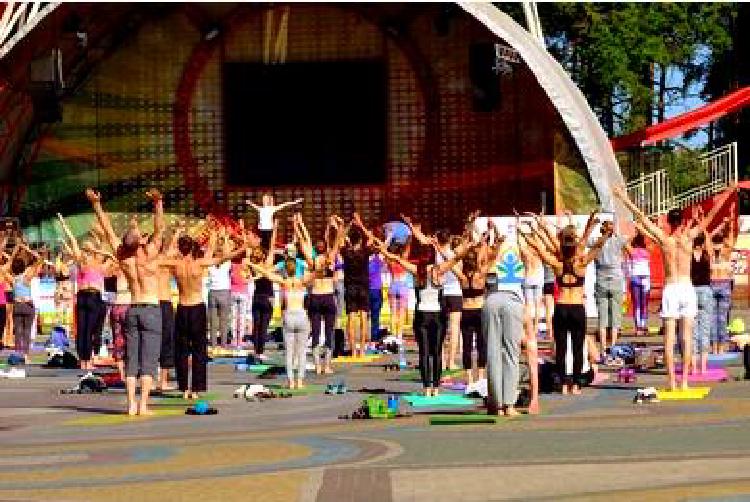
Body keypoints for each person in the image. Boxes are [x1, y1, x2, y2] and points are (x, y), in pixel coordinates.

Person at [614, 184, 736, 390]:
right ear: (682, 221)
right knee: (687, 337)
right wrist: (726, 193)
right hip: (686, 288)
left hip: (672, 288)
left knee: (670, 338)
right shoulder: (689, 238)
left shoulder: (665, 239)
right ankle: (685, 382)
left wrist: (624, 199)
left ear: (669, 223)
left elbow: (642, 218)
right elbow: (712, 215)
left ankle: (672, 381)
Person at [87, 187, 165, 416]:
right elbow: (160, 229)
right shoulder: (149, 254)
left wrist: (96, 205)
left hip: (133, 308)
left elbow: (107, 228)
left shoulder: (123, 257)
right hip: (150, 308)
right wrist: (158, 203)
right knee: (149, 359)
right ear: (140, 242)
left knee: (132, 357)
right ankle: (143, 405)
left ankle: (131, 404)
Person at [376, 230, 472, 397]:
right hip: (437, 316)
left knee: (424, 353)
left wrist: (383, 250)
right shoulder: (438, 270)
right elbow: (455, 259)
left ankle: (427, 388)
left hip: (421, 316)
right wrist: (467, 246)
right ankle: (435, 387)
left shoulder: (416, 270)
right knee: (436, 352)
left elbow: (397, 259)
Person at [521, 218, 608, 396]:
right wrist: (604, 234)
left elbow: (539, 248)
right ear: (574, 247)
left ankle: (563, 384)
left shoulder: (557, 264)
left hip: (561, 308)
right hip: (576, 308)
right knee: (577, 348)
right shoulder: (581, 263)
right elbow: (596, 248)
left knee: (561, 349)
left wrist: (528, 233)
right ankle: (575, 384)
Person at [249, 256, 313, 389]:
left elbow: (266, 274)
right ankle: (299, 381)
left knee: (289, 351)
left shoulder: (284, 282)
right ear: (296, 269)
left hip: (289, 315)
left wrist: (251, 264)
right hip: (301, 314)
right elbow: (318, 273)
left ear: (285, 269)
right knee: (302, 351)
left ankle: (290, 381)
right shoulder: (302, 281)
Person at [294, 213, 345, 373]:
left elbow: (302, 244)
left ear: (316, 249)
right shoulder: (330, 259)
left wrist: (296, 225)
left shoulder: (312, 260)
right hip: (328, 296)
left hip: (315, 296)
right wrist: (340, 225)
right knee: (328, 332)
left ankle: (317, 365)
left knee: (315, 332)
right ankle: (327, 365)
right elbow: (337, 241)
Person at [57, 213, 108, 371]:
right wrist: (64, 224)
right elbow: (72, 240)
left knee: (91, 330)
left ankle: (89, 359)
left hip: (94, 296)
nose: (85, 251)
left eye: (87, 248)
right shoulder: (81, 259)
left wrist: (98, 230)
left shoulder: (98, 259)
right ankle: (84, 360)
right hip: (83, 297)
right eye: (84, 248)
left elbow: (104, 242)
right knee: (82, 330)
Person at [589, 217, 628, 356]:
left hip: (601, 279)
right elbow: (627, 241)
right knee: (616, 316)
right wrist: (615, 232)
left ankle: (603, 348)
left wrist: (596, 228)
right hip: (616, 279)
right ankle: (613, 346)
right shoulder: (618, 240)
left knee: (602, 317)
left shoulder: (596, 241)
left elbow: (585, 240)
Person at [342, 213, 376, 358]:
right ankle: (361, 350)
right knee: (363, 318)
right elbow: (372, 238)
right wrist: (360, 223)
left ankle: (353, 350)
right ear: (360, 240)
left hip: (350, 287)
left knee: (351, 319)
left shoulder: (346, 252)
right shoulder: (364, 252)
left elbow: (340, 238)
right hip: (363, 287)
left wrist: (349, 225)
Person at [435, 230, 463, 371]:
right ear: (450, 240)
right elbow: (460, 273)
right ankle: (451, 361)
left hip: (441, 292)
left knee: (441, 328)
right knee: (454, 328)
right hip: (455, 293)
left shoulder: (436, 256)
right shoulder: (455, 255)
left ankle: (441, 359)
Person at [250, 221, 278, 357]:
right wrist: (275, 230)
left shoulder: (253, 265)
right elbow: (272, 247)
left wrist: (246, 233)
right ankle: (260, 352)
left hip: (257, 297)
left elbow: (250, 249)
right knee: (263, 326)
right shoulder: (267, 264)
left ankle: (257, 352)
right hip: (267, 297)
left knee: (257, 326)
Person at [710, 216, 735, 355]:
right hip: (725, 283)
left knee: (712, 318)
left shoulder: (710, 250)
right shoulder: (727, 250)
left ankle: (713, 348)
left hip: (713, 283)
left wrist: (720, 225)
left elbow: (708, 235)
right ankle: (721, 347)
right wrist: (728, 224)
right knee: (723, 317)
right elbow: (730, 235)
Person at [690, 230, 713, 375]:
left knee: (692, 331)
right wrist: (703, 227)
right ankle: (703, 368)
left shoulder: (688, 255)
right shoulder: (706, 254)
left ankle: (693, 368)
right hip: (705, 290)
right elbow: (709, 241)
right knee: (705, 330)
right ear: (703, 243)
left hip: (691, 290)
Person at [626, 230, 651, 336]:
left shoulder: (631, 251)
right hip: (646, 279)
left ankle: (638, 328)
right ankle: (643, 325)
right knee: (644, 304)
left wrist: (632, 235)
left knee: (636, 304)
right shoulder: (648, 251)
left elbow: (624, 243)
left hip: (635, 278)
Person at [207, 254, 232, 347]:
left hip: (213, 292)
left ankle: (214, 343)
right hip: (223, 292)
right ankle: (223, 344)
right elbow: (228, 254)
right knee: (223, 321)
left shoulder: (210, 264)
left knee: (213, 322)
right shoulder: (226, 264)